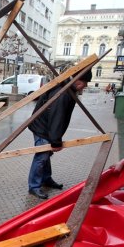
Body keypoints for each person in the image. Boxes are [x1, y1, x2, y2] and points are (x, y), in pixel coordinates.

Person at [27, 70, 93, 199]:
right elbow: (57, 117)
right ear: (78, 81)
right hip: (42, 127)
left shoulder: (68, 88)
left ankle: (46, 179)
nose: (85, 86)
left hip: (45, 126)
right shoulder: (63, 93)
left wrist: (55, 139)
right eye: (84, 83)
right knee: (41, 156)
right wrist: (56, 141)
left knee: (46, 154)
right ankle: (34, 187)